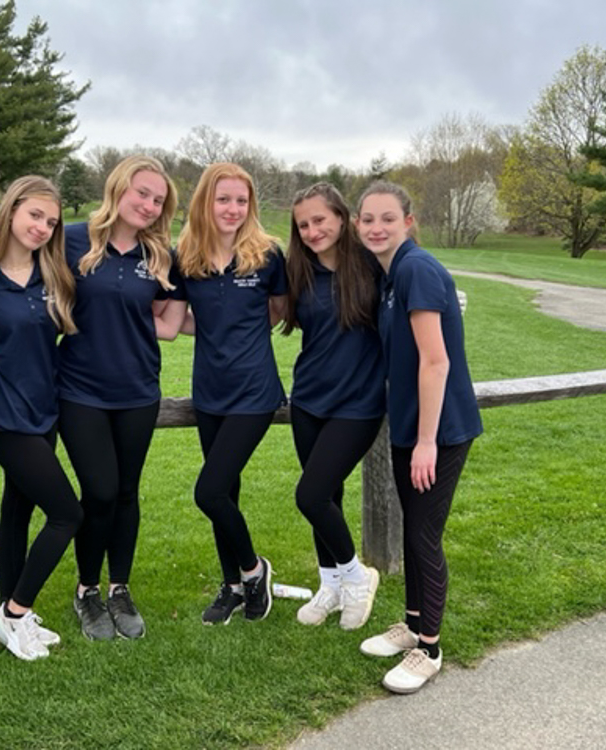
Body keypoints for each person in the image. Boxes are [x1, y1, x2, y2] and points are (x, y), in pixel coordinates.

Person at [354, 181, 482, 695]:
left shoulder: (416, 269)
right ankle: (411, 622)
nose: (376, 228)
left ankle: (428, 648)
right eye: (367, 220)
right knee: (412, 530)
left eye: (387, 218)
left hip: (441, 430)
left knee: (424, 535)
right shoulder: (389, 275)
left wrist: (427, 441)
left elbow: (436, 360)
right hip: (413, 426)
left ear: (408, 221)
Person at [58, 155, 184, 640]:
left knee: (127, 492)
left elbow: (166, 323)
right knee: (100, 491)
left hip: (137, 390)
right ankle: (87, 589)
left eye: (158, 199)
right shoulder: (71, 238)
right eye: (142, 193)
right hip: (80, 389)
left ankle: (118, 588)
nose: (150, 205)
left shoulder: (159, 256)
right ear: (118, 189)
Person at [0, 176, 83, 661]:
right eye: (35, 215)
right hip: (4, 414)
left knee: (18, 510)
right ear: (11, 211)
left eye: (51, 221)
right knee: (67, 513)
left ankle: (8, 614)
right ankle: (14, 612)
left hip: (45, 407)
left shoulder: (52, 275)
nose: (42, 227)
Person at [167, 162, 287, 625]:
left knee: (209, 491)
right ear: (205, 202)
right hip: (209, 393)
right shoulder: (187, 258)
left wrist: (241, 337)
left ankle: (255, 570)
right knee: (227, 494)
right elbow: (183, 320)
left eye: (241, 201)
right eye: (224, 199)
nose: (233, 209)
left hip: (254, 392)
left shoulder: (268, 255)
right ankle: (233, 586)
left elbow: (276, 312)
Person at [282, 182, 386, 630]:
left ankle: (359, 577)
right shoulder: (298, 271)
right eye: (303, 224)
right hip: (308, 400)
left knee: (310, 494)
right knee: (329, 497)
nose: (311, 230)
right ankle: (331, 585)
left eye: (320, 220)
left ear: (342, 218)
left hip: (358, 404)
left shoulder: (372, 266)